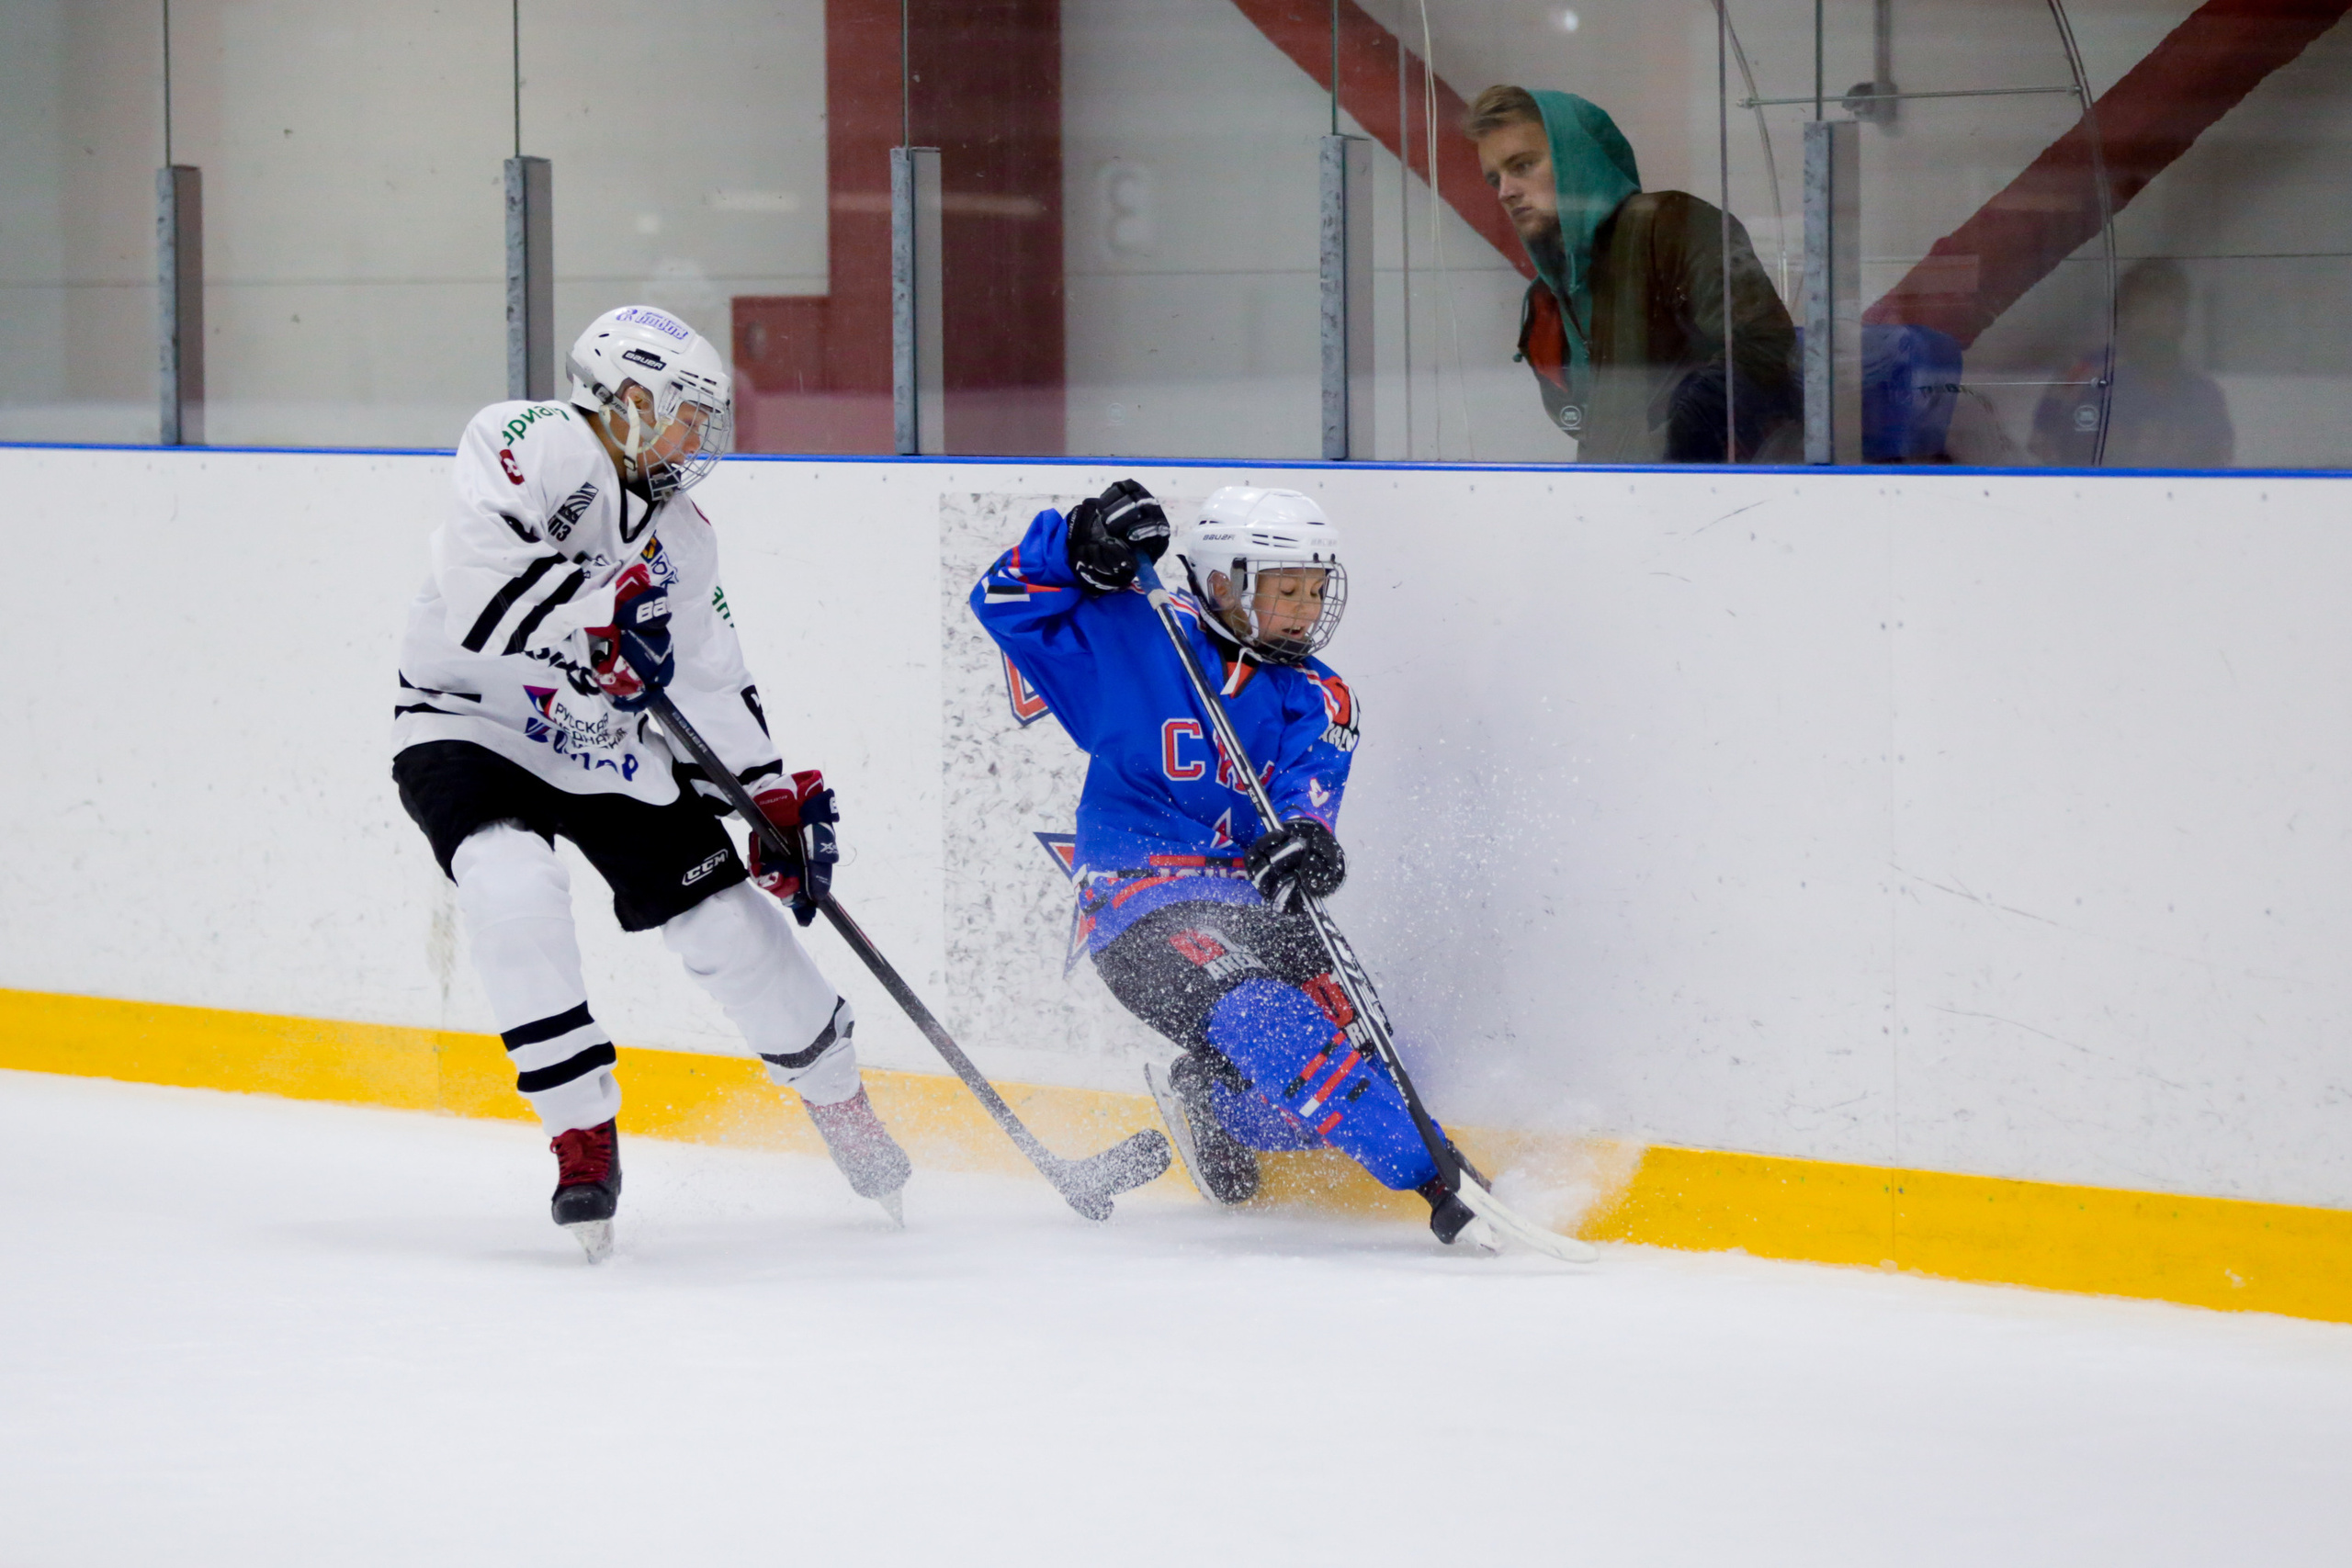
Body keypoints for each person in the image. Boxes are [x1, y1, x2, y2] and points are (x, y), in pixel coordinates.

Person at [390, 304, 910, 1259]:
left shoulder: (683, 534)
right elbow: (476, 578)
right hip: (471, 724)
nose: (696, 436)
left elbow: (708, 670)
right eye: (684, 413)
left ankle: (844, 1108)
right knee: (510, 887)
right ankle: (581, 1135)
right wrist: (595, 617)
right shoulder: (528, 439)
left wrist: (765, 802)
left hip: (600, 746)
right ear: (623, 397)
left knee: (728, 925)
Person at [968, 480, 1496, 1251]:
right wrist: (1078, 542)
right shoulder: (1137, 628)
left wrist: (1309, 845)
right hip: (1141, 901)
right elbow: (1003, 597)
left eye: (1315, 590)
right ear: (1222, 582)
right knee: (1265, 1022)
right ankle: (1431, 1174)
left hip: (1251, 904)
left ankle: (1212, 1100)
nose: (1306, 609)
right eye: (1286, 589)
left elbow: (1307, 803)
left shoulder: (1322, 695)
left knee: (1369, 1072)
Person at [1468, 85, 1801, 463]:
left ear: (1576, 159)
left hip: (1724, 495)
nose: (1505, 192)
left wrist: (1671, 445)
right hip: (1620, 502)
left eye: (1523, 165)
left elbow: (1763, 347)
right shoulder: (1546, 303)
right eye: (1495, 179)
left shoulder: (1672, 227)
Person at [2030, 259, 2234, 468]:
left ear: (2182, 322)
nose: (2152, 323)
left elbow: (2218, 468)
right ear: (2123, 319)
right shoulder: (2080, 376)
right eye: (2141, 310)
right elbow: (2040, 455)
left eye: (2164, 312)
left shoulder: (2204, 393)